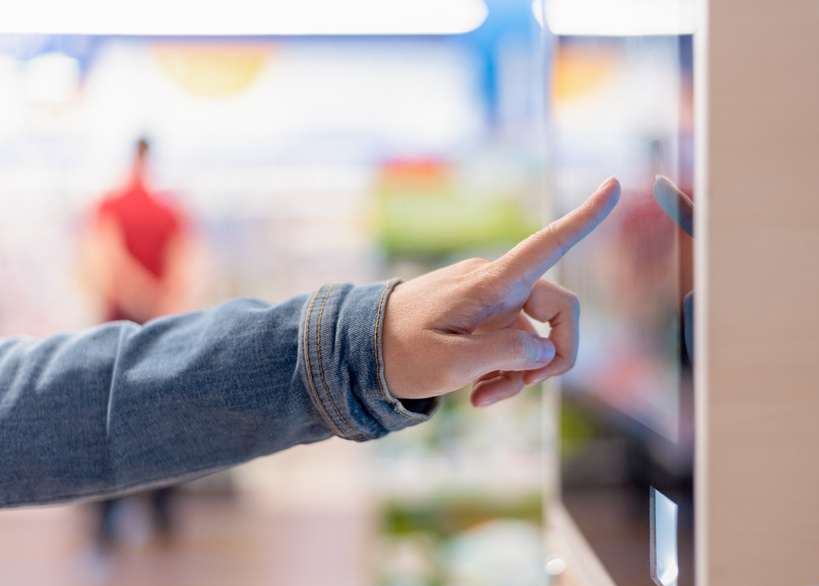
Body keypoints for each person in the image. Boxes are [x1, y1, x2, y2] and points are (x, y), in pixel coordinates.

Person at [0, 177, 621, 510]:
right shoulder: (160, 209)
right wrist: (361, 346)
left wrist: (364, 344)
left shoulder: (114, 205)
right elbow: (60, 406)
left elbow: (39, 406)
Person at [78, 137, 191, 548]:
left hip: (116, 330)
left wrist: (137, 299)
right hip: (159, 328)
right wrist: (159, 305)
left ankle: (106, 516)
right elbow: (183, 267)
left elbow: (106, 265)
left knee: (107, 423)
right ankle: (163, 512)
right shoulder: (169, 210)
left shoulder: (110, 205)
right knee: (161, 419)